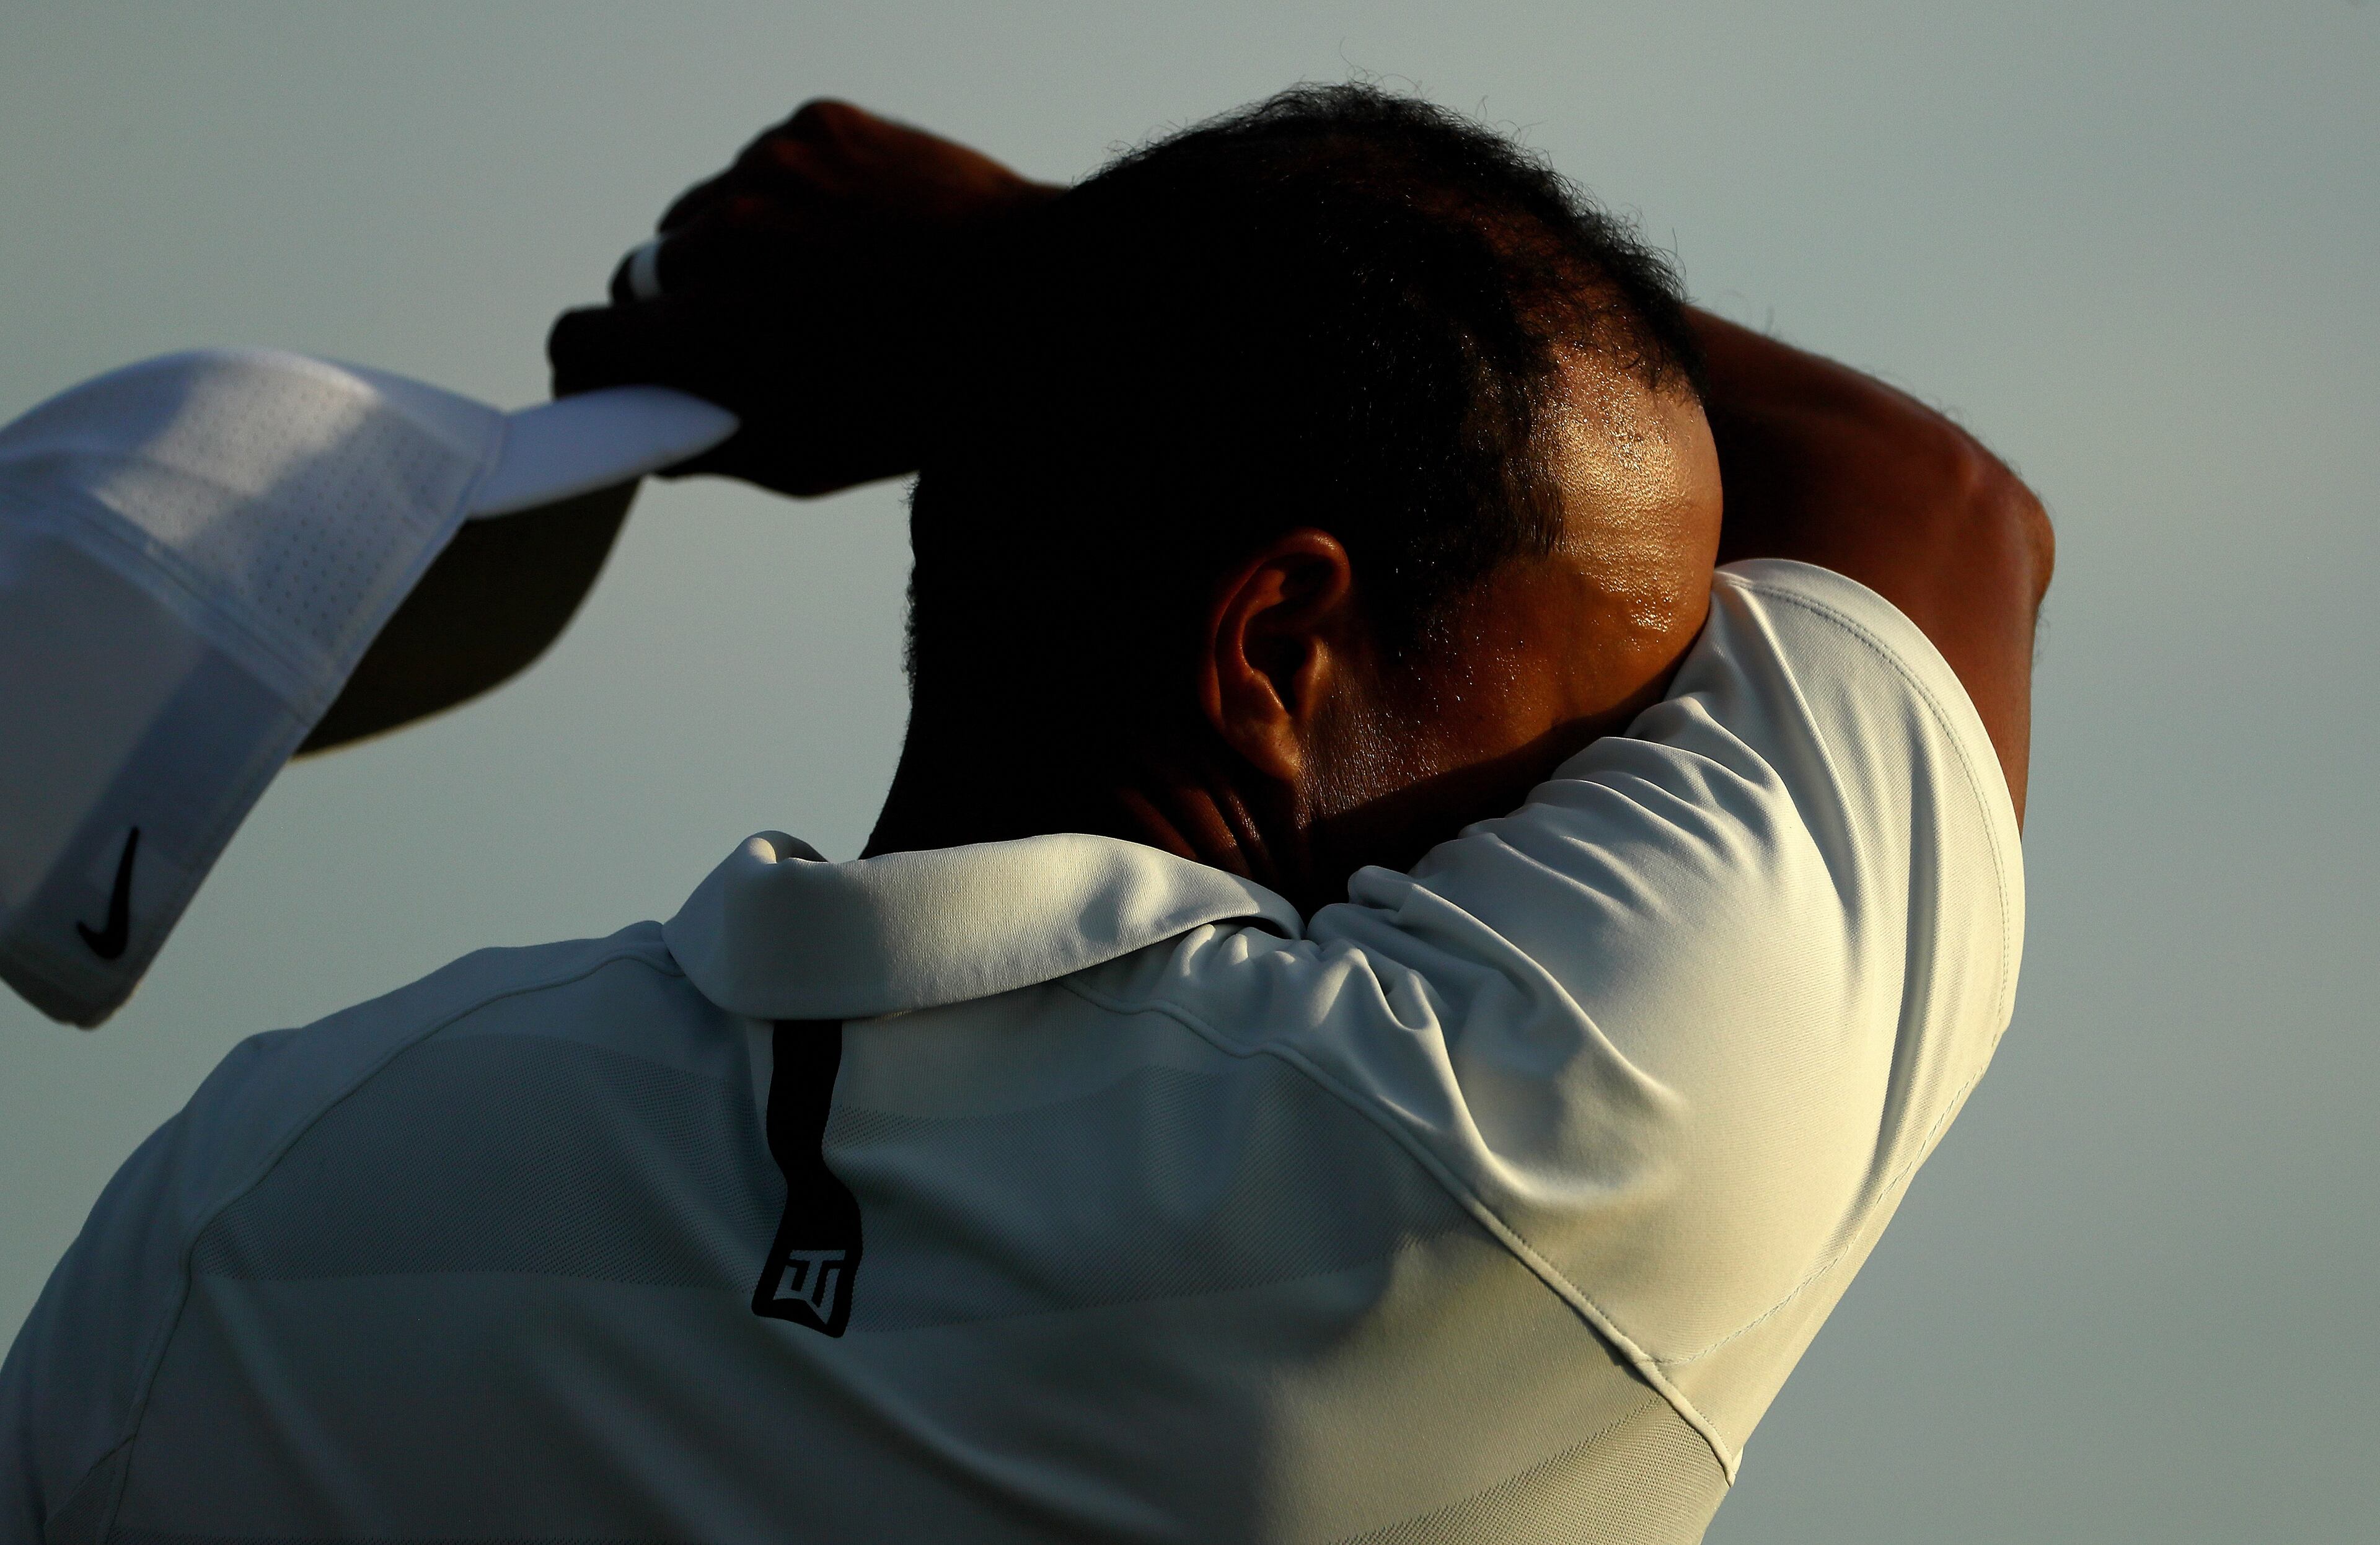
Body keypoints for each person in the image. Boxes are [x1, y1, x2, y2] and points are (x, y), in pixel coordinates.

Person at [0, 85, 2050, 1543]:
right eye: (1613, 712)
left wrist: (1090, 319)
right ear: (1271, 653)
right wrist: (1005, 267)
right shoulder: (1518, 1154)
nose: (1620, 804)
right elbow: (1934, 505)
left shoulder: (250, 1201)